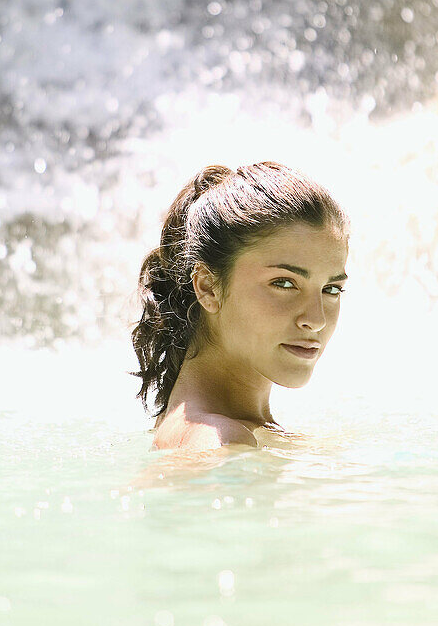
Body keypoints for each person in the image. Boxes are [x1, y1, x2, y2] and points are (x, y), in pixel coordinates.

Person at [129, 161, 350, 452]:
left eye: (331, 289)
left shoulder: (224, 433)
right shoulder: (221, 442)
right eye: (284, 284)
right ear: (208, 287)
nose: (316, 319)